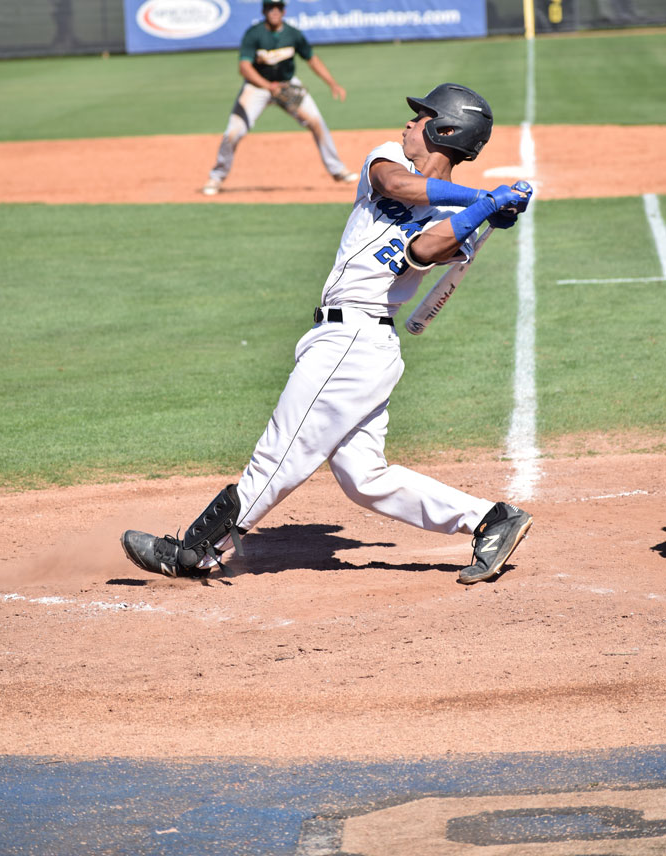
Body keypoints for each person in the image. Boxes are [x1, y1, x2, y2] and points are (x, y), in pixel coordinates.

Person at [124, 82, 534, 585]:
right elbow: (394, 186)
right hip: (345, 339)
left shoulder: (461, 224)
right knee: (365, 478)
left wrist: (481, 212)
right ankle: (492, 521)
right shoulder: (388, 159)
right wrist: (484, 198)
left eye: (419, 117)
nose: (407, 124)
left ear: (444, 130)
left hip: (357, 344)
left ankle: (195, 550)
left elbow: (424, 252)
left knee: (281, 451)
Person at [200, 0, 358, 195]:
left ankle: (338, 170)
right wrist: (267, 86)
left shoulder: (293, 34)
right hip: (256, 87)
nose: (274, 11)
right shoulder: (254, 34)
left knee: (317, 122)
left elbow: (312, 59)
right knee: (233, 132)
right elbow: (244, 68)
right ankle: (216, 177)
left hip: (287, 86)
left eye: (278, 8)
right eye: (269, 8)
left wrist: (332, 83)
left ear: (283, 11)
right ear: (264, 10)